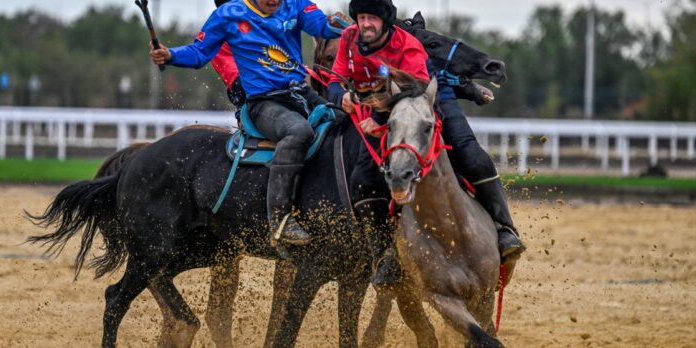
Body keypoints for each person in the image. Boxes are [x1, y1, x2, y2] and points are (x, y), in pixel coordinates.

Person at [327, 0, 524, 289]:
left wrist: (380, 122)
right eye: (361, 17)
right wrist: (338, 96)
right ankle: (384, 255)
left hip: (429, 101)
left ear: (385, 20)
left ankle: (505, 229)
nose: (366, 23)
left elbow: (415, 95)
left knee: (472, 157)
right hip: (381, 110)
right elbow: (335, 79)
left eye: (372, 18)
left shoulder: (407, 45)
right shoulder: (348, 39)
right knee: (363, 178)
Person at [150, 0, 343, 247]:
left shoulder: (296, 4)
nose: (274, 1)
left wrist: (355, 26)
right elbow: (199, 53)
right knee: (298, 131)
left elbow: (323, 28)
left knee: (346, 123)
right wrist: (170, 55)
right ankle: (281, 221)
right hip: (264, 104)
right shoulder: (228, 15)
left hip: (302, 95)